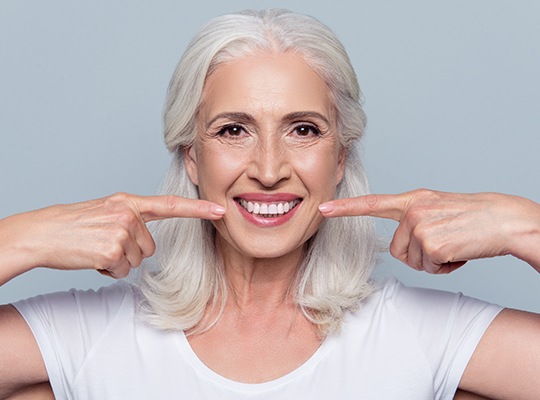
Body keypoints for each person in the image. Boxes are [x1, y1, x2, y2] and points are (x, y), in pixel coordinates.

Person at [0, 8, 539, 400]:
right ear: (191, 158)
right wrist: (20, 239)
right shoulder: (90, 337)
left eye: (303, 130)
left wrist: (523, 227)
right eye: (233, 130)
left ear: (341, 159)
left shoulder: (420, 336)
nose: (268, 168)